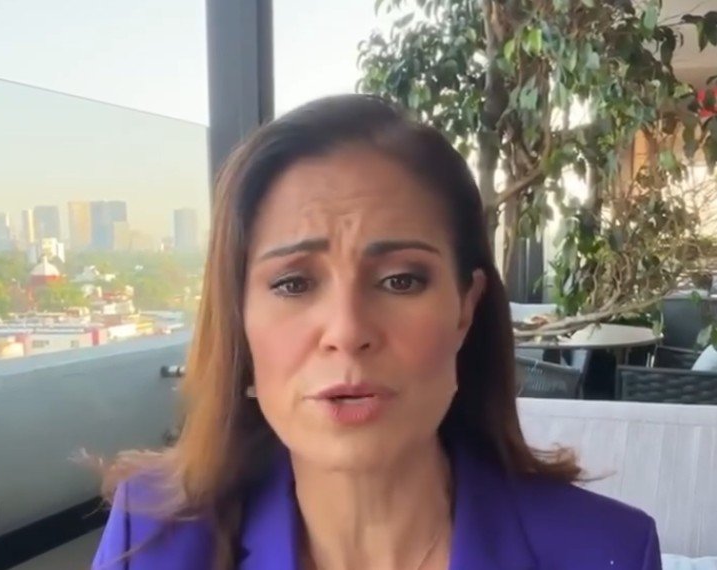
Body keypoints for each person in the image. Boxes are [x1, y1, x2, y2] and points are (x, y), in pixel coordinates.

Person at [92, 94, 661, 570]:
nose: (347, 331)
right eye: (293, 284)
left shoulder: (605, 551)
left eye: (400, 281)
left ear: (465, 309)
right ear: (239, 320)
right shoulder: (150, 543)